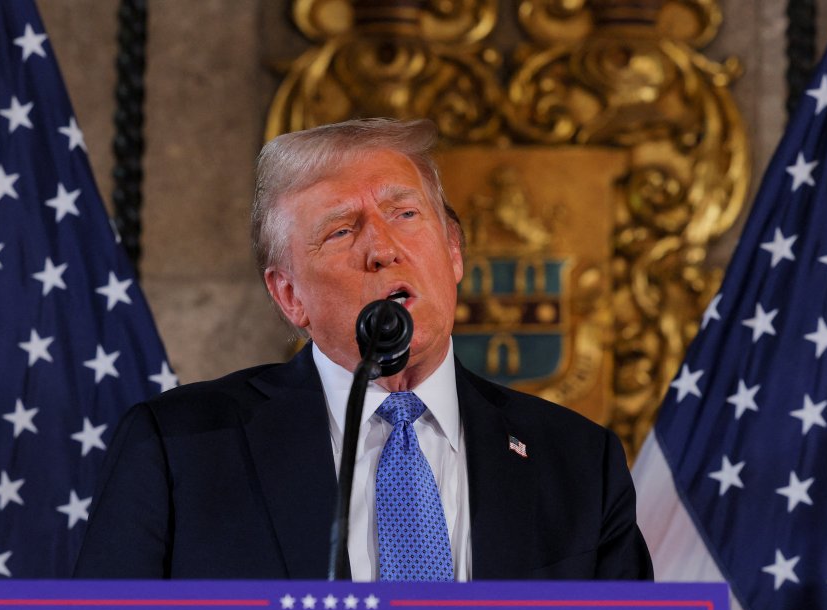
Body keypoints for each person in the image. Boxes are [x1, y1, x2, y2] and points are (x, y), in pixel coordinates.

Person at [74, 118, 653, 581]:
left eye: (405, 213)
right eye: (341, 231)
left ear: (453, 253)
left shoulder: (577, 462)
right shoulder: (180, 448)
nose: (383, 247)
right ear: (289, 295)